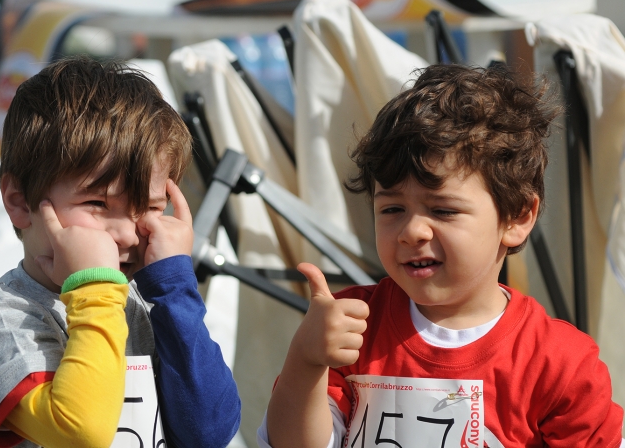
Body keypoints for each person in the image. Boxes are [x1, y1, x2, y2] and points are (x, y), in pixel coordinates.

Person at [259, 64, 624, 447]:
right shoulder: (351, 326)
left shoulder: (561, 364)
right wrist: (306, 358)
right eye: (391, 209)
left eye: (443, 210)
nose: (412, 231)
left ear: (517, 216)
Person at [0, 56, 240, 448]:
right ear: (20, 201)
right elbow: (81, 434)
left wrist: (176, 289)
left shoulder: (143, 305)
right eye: (98, 204)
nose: (125, 234)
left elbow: (209, 432)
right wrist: (94, 288)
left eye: (151, 208)